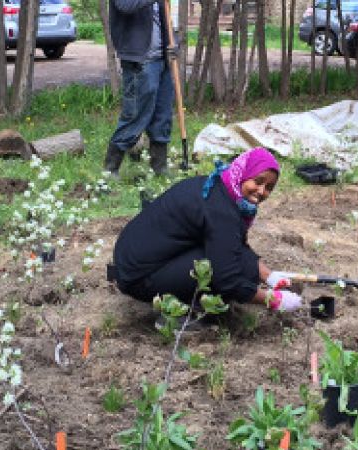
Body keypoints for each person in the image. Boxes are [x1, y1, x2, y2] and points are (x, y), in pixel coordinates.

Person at [112, 147, 304, 315]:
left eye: (269, 187)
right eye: (258, 181)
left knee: (235, 261)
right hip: (139, 278)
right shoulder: (221, 210)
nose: (261, 191)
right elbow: (227, 279)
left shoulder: (220, 186)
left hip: (137, 261)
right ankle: (181, 315)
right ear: (244, 174)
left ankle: (186, 297)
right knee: (220, 272)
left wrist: (268, 276)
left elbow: (234, 244)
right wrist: (272, 300)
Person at [104, 0, 175, 178]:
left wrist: (175, 45)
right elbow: (126, 6)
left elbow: (164, 21)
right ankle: (110, 168)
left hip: (162, 59)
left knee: (163, 114)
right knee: (135, 115)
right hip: (139, 60)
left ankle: (159, 167)